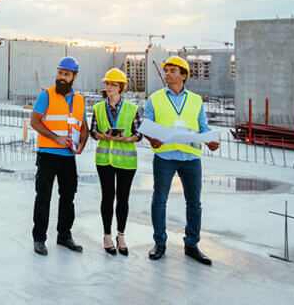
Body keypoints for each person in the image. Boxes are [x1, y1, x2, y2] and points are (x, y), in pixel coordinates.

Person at [142, 56, 220, 265]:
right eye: (166, 70)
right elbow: (146, 125)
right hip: (165, 157)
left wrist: (210, 139)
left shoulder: (195, 100)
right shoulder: (155, 98)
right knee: (159, 200)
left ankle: (192, 244)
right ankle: (159, 243)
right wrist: (152, 139)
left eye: (172, 71)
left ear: (183, 75)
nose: (167, 73)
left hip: (191, 158)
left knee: (194, 203)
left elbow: (202, 126)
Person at [28, 56, 88, 256]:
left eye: (66, 74)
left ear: (74, 77)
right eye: (60, 73)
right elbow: (34, 122)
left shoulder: (79, 100)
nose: (61, 77)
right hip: (47, 154)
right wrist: (55, 138)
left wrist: (81, 145)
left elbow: (84, 128)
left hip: (68, 157)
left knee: (68, 197)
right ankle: (39, 239)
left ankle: (64, 236)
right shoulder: (46, 95)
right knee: (43, 197)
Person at [90, 68, 140, 256]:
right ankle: (107, 236)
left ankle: (121, 235)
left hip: (126, 162)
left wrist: (127, 139)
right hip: (104, 160)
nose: (109, 87)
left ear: (121, 88)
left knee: (123, 199)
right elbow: (93, 131)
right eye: (107, 84)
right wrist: (101, 135)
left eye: (113, 84)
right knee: (107, 197)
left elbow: (138, 134)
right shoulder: (98, 108)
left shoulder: (131, 109)